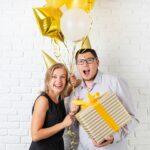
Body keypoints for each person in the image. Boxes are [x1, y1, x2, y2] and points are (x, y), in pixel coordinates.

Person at [69, 48, 138, 150]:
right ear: (77, 66)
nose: (85, 64)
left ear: (97, 62)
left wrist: (114, 137)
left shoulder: (114, 83)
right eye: (81, 61)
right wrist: (72, 114)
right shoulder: (76, 92)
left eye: (89, 60)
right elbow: (75, 127)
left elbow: (132, 119)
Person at [29, 63, 74, 150]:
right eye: (54, 76)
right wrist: (63, 124)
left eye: (63, 77)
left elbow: (76, 84)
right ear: (48, 80)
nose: (59, 81)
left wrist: (72, 81)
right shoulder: (43, 101)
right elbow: (35, 135)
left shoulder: (60, 96)